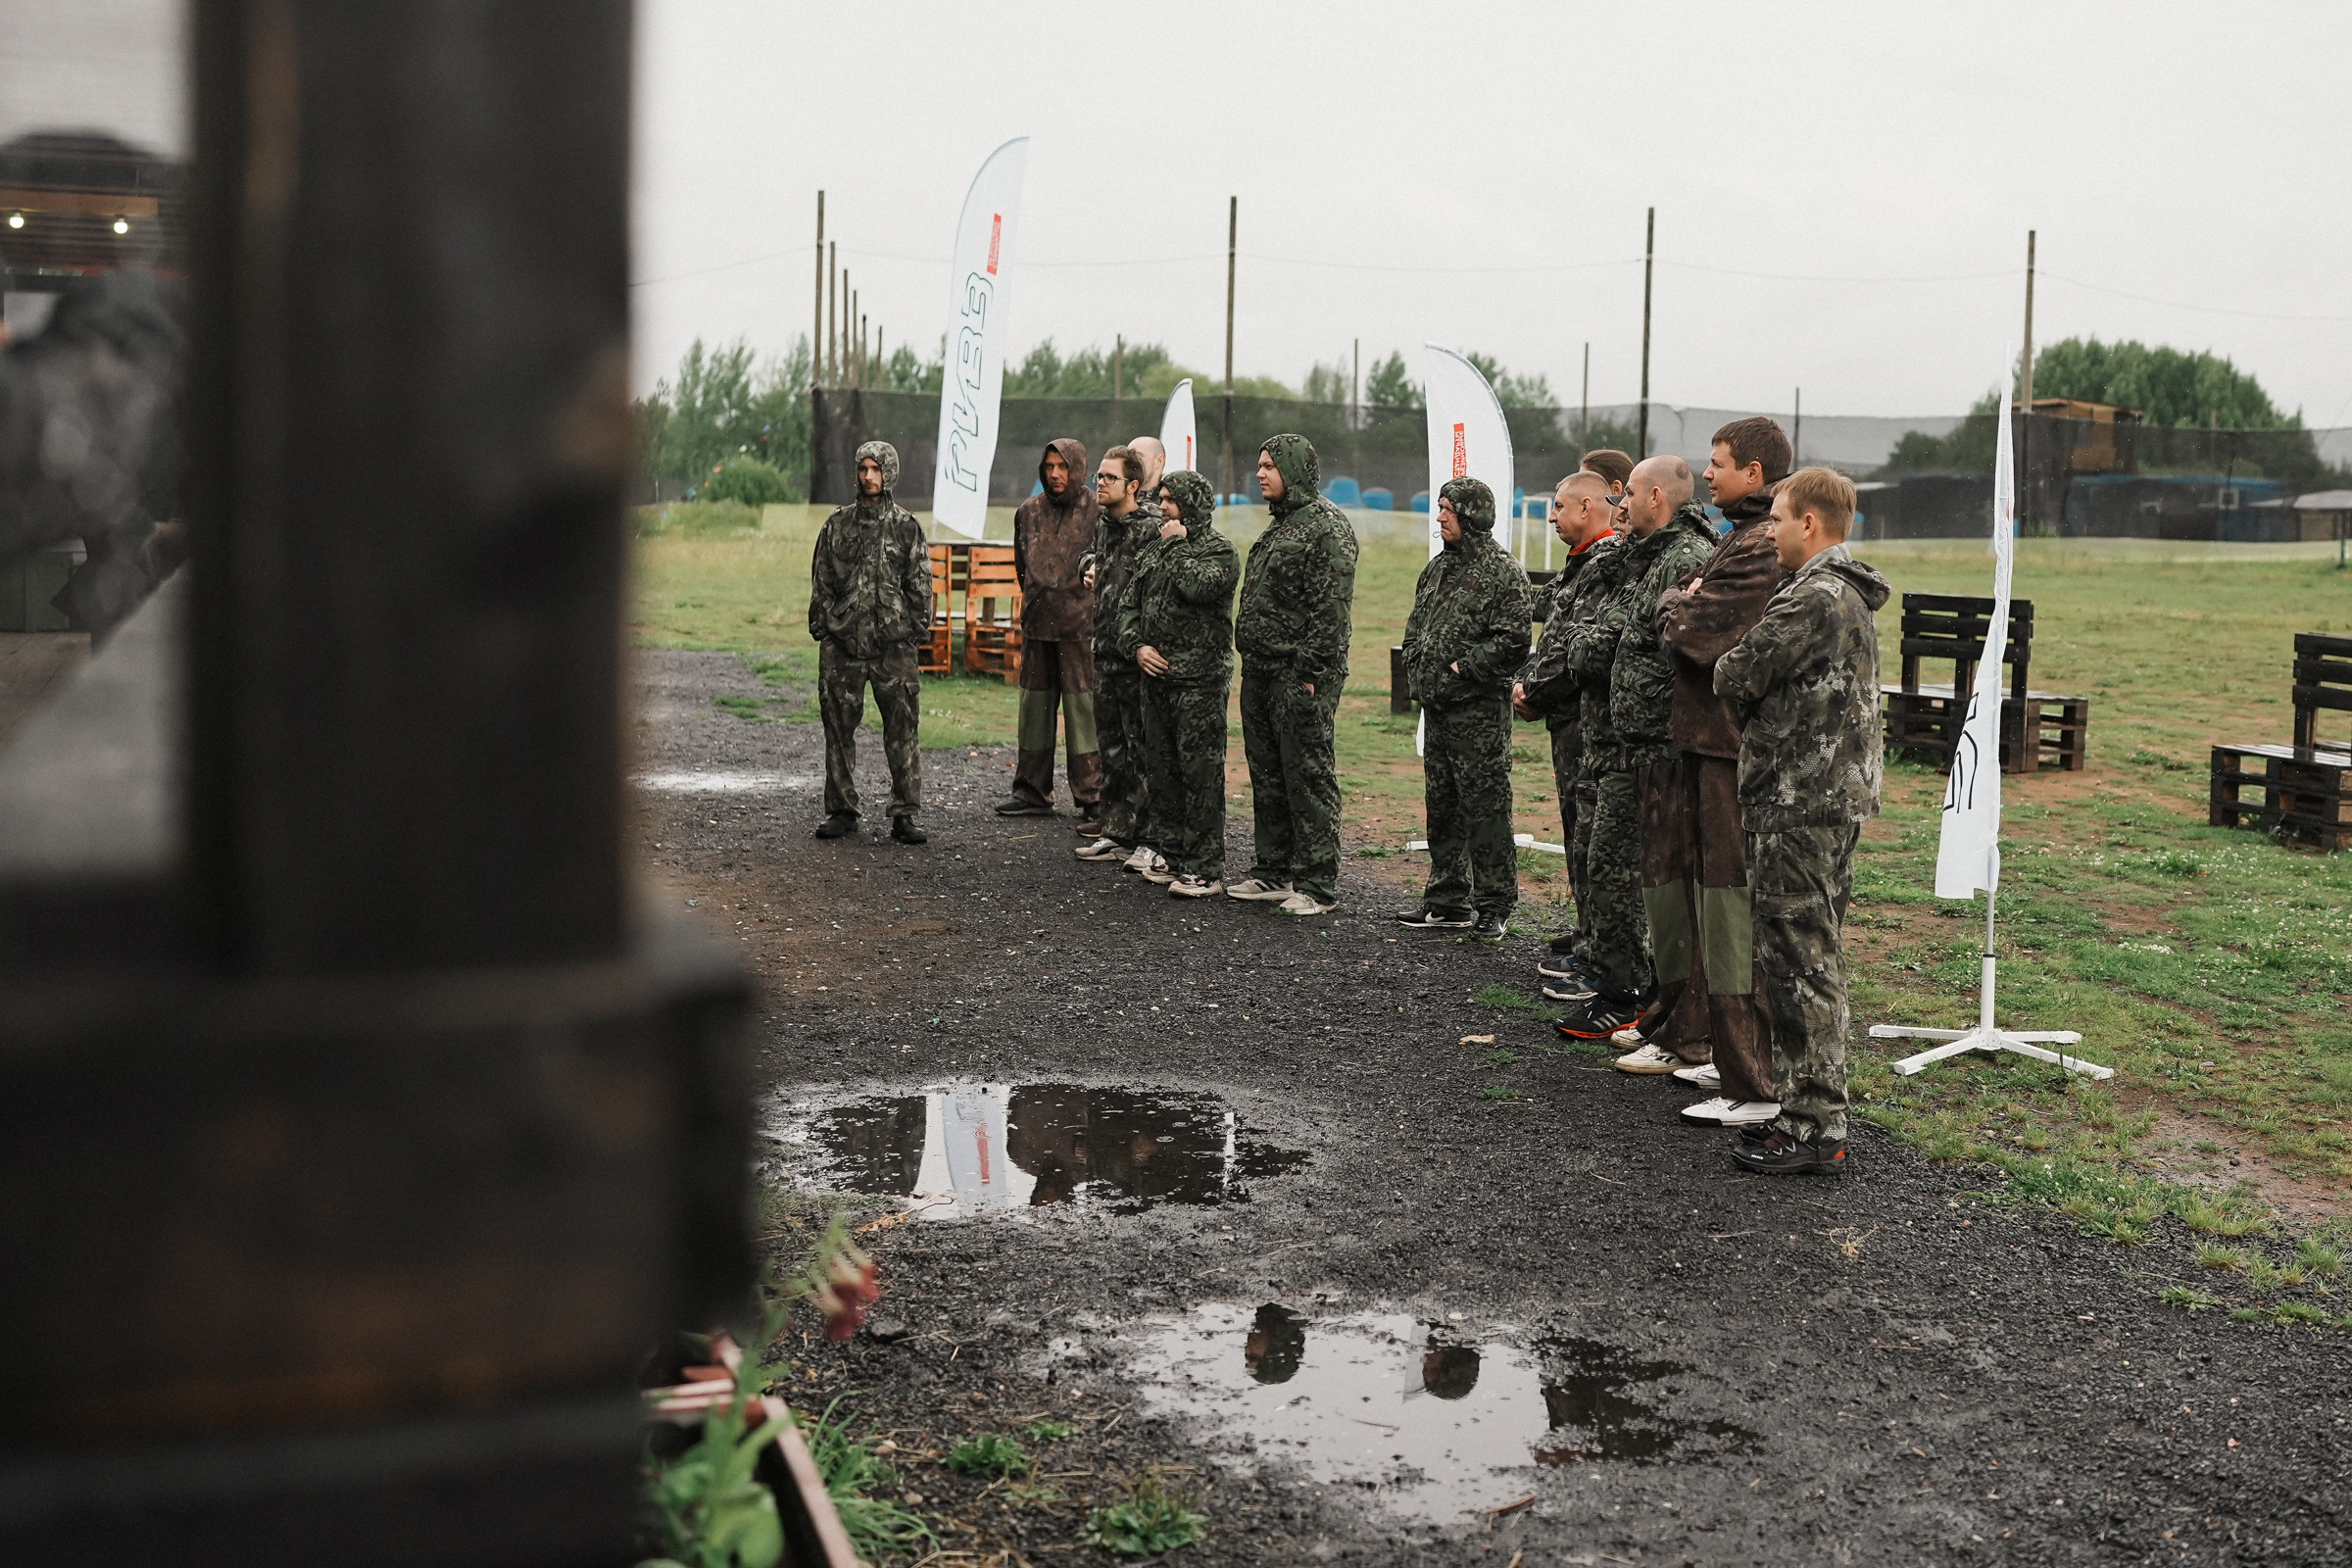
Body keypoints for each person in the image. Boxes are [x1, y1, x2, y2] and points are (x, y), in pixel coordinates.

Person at [1713, 466, 1887, 1174]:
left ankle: (1814, 1125)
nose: (1771, 531)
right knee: (1806, 952)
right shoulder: (1837, 593)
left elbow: (1733, 672)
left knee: (1800, 962)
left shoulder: (1813, 598)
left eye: (1779, 519)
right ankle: (1807, 1112)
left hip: (1799, 800)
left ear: (1810, 524)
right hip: (1820, 798)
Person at [1649, 417, 1793, 1129]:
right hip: (1704, 745)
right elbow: (1675, 606)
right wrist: (1683, 600)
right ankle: (1723, 1052)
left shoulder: (1763, 546)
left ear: (1755, 474)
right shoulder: (1736, 536)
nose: (1708, 474)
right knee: (1710, 907)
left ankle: (1755, 1079)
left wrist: (1683, 603)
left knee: (1734, 912)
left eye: (1720, 464)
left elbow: (1693, 629)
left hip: (1731, 750)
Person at [1552, 454, 1714, 1046]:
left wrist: (1590, 648)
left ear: (1655, 498)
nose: (1619, 507)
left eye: (1630, 498)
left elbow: (1628, 640)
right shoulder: (1646, 554)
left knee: (1625, 869)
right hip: (1626, 739)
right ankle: (1628, 987)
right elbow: (1598, 627)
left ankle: (1629, 992)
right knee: (1614, 864)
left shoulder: (1683, 557)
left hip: (1654, 741)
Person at [1396, 477, 1533, 940]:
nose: (1439, 517)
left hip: (1478, 714)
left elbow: (1514, 640)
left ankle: (1493, 904)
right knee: (1443, 806)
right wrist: (1418, 668)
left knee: (1486, 809)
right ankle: (1446, 899)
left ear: (1471, 514)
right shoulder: (1436, 569)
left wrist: (1464, 668)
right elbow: (1416, 628)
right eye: (1439, 508)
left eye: (1447, 509)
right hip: (1437, 711)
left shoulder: (1503, 572)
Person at [1229, 434, 1358, 917]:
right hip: (1261, 672)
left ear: (1294, 470)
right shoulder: (1280, 526)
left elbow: (1331, 611)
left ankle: (1317, 883)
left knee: (1307, 775)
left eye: (1269, 466)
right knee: (1267, 773)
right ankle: (1273, 870)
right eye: (1259, 464)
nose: (1260, 473)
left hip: (1297, 676)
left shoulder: (1326, 528)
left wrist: (1309, 672)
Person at [1118, 469, 1240, 897]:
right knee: (1164, 771)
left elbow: (1196, 587)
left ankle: (1204, 866)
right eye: (1163, 498)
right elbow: (1127, 604)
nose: (1163, 506)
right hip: (1158, 683)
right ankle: (1171, 853)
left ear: (1192, 505)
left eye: (1170, 500)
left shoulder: (1219, 551)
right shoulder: (1155, 549)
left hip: (1199, 684)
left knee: (1200, 775)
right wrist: (1136, 646)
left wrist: (1174, 544)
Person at [1515, 469, 1619, 960]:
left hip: (1585, 719)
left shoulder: (1606, 565)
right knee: (1575, 822)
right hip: (1565, 718)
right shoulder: (1579, 563)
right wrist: (1528, 682)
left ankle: (1599, 942)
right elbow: (1554, 637)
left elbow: (1582, 650)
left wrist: (1536, 692)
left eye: (1559, 506)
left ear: (1586, 507)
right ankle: (1586, 932)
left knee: (1589, 833)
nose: (1552, 516)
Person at [807, 440, 930, 844]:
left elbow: (920, 584)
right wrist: (824, 623)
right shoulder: (837, 524)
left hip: (894, 647)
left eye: (876, 469)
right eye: (863, 469)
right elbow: (822, 576)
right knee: (837, 730)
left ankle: (904, 813)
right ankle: (841, 810)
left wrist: (915, 631)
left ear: (889, 473)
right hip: (843, 645)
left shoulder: (907, 526)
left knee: (903, 729)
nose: (868, 477)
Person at [999, 438, 1102, 820]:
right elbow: (1021, 568)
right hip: (1038, 628)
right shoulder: (1027, 512)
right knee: (1034, 714)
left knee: (1082, 716)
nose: (1055, 474)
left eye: (1063, 466)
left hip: (1081, 631)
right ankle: (1031, 792)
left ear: (1078, 468)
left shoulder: (1098, 511)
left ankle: (1092, 796)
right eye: (1049, 466)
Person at [1076, 445, 1156, 863]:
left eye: (1108, 478)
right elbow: (1091, 555)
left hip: (1136, 659)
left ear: (1133, 485)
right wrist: (1087, 566)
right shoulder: (1104, 525)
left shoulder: (1151, 529)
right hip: (1104, 652)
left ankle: (1149, 839)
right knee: (1110, 750)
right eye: (1099, 478)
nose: (1100, 485)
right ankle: (1115, 831)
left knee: (1141, 749)